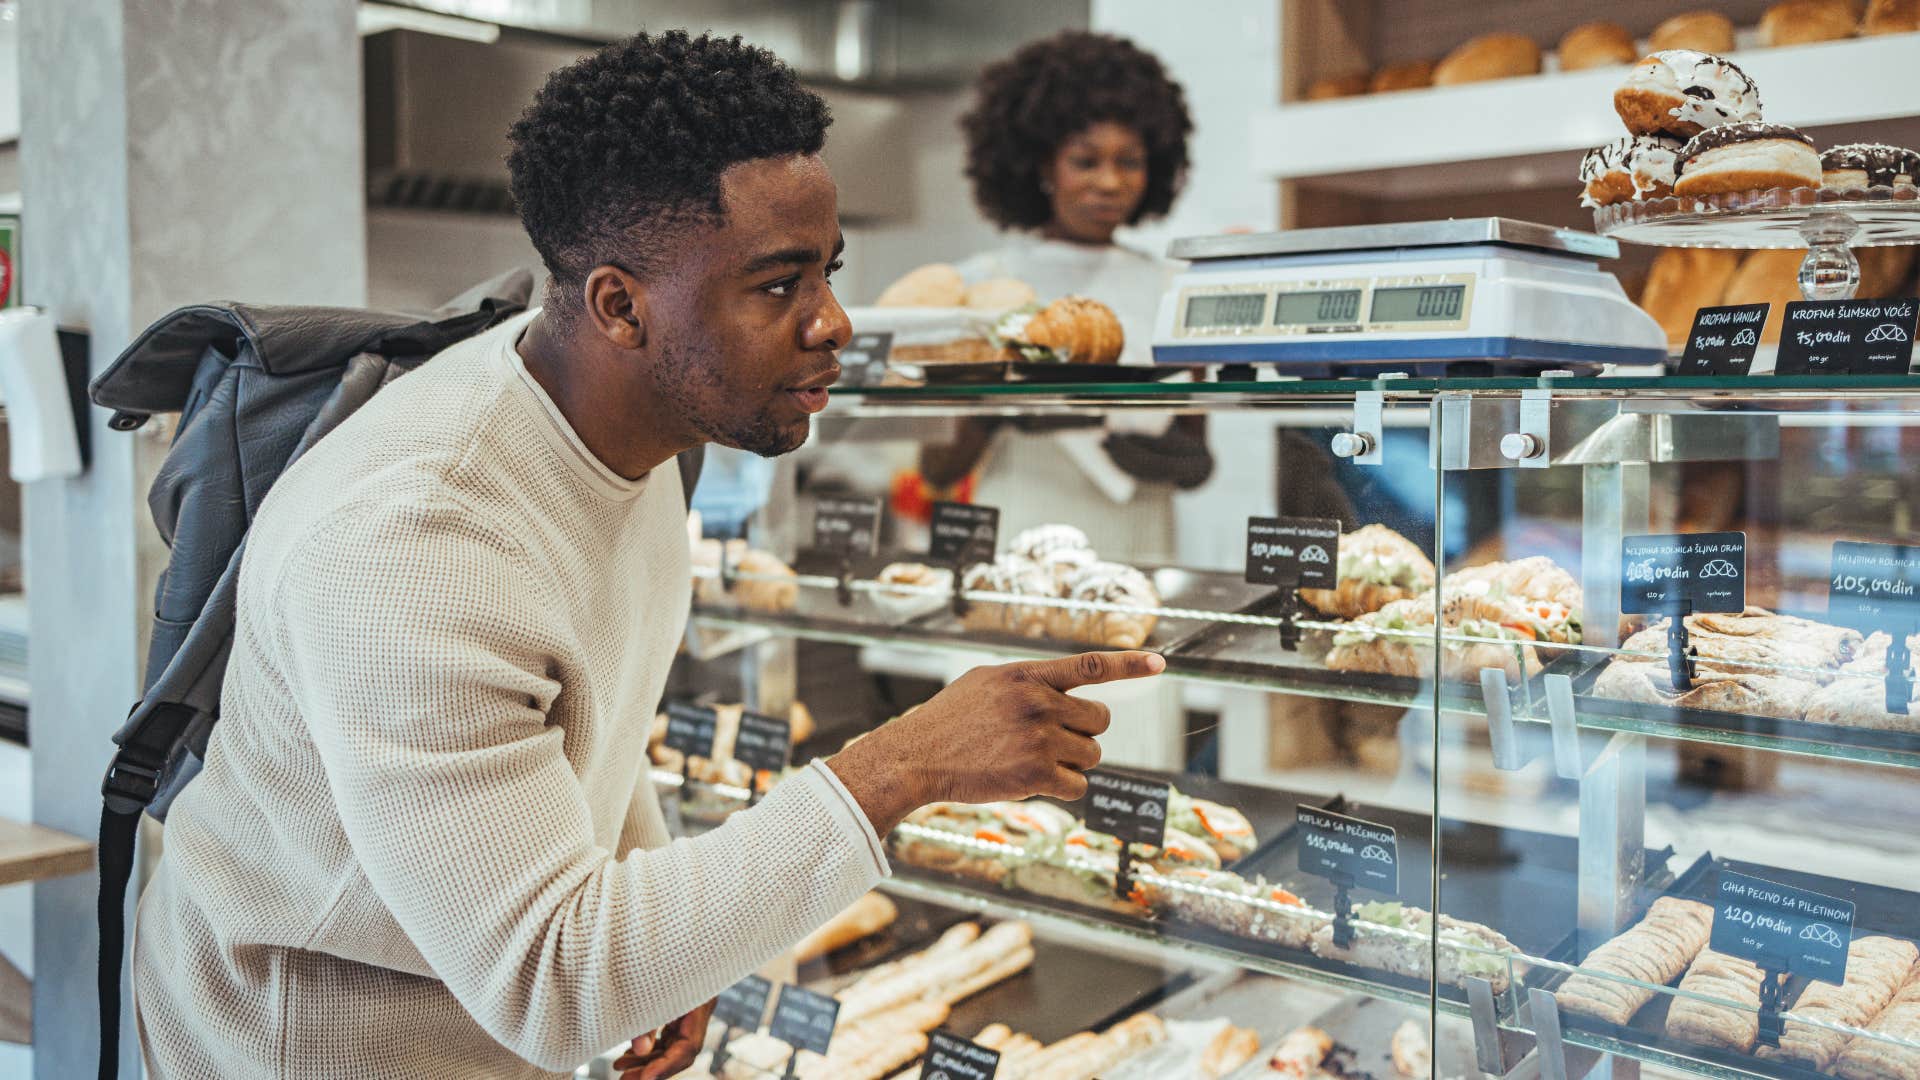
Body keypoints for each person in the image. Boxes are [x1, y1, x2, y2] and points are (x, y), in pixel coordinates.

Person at [131, 31, 1162, 1080]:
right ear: (619, 306)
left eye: (828, 272)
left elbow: (591, 728)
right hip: (312, 1045)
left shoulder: (629, 437)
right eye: (777, 286)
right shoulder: (422, 539)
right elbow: (552, 976)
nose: (834, 323)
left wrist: (668, 929)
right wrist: (902, 767)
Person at [920, 31, 1210, 563]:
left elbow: (1198, 454)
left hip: (1142, 534)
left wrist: (1170, 459)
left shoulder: (1175, 286)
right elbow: (936, 469)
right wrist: (992, 409)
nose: (1110, 182)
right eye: (1085, 160)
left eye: (1130, 161)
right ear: (1040, 167)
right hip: (1022, 525)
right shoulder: (982, 286)